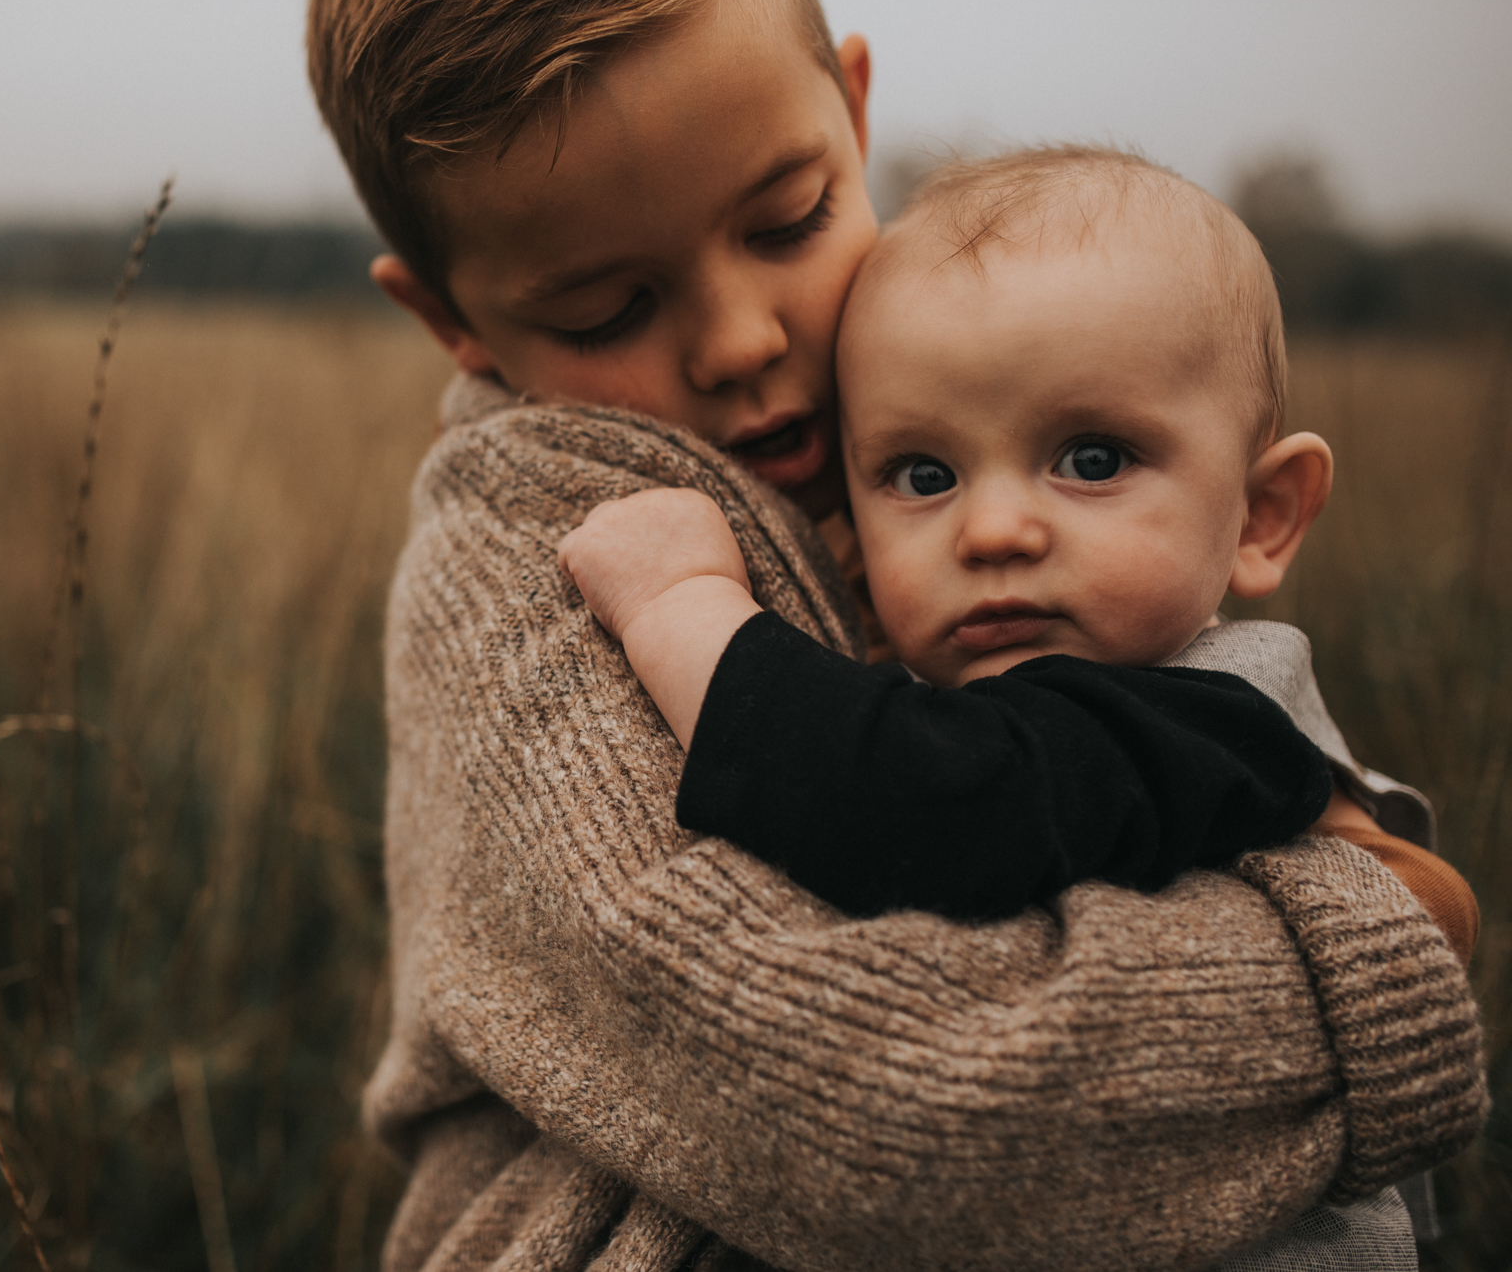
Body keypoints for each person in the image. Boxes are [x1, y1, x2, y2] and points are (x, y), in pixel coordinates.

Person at [305, 0, 1487, 1268]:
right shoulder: (540, 568)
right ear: (452, 319)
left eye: (789, 219)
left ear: (853, 111)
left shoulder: (902, 434)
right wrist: (1369, 943)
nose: (745, 341)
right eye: (602, 313)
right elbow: (891, 1103)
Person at [557, 147, 1479, 1269]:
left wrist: (680, 605)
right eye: (922, 476)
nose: (990, 531)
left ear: (1262, 516)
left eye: (1091, 458)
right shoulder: (1027, 689)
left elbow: (931, 800)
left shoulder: (1210, 714)